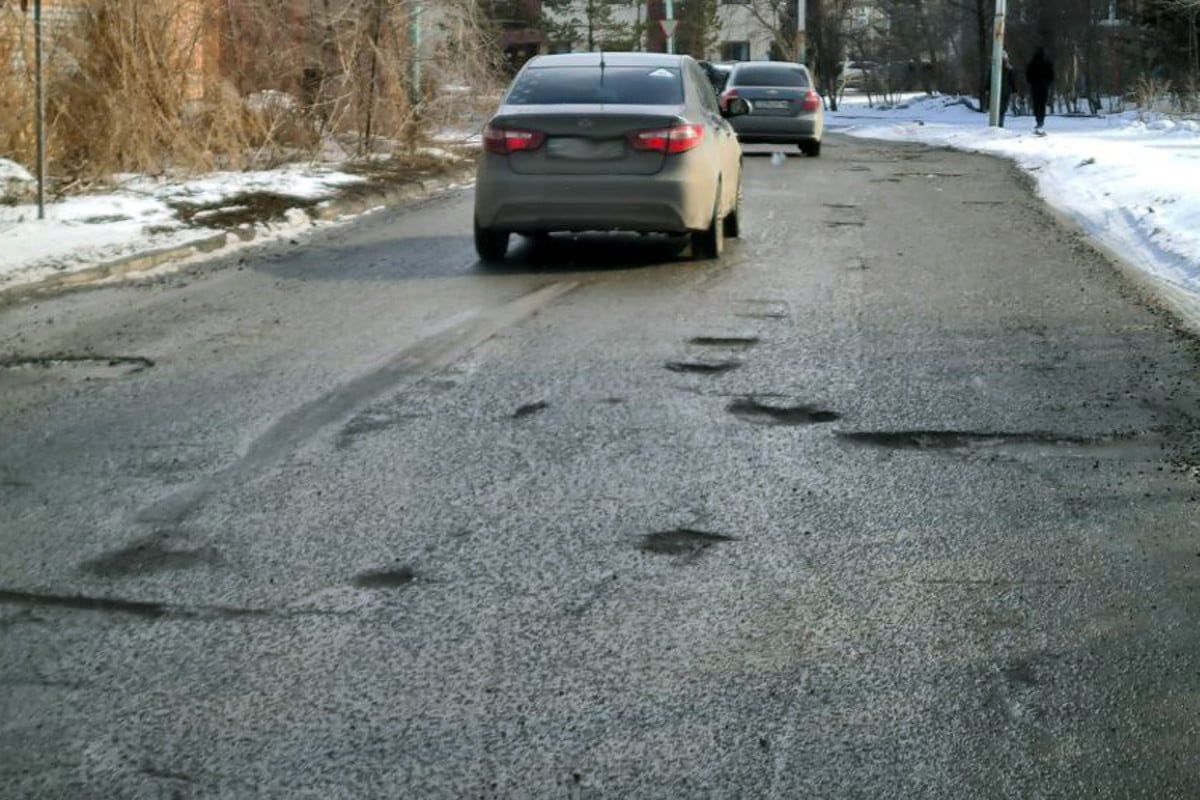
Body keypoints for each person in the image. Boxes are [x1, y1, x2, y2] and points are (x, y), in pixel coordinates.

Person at [1025, 47, 1055, 135]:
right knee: (1042, 104)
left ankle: (1038, 119)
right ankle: (1041, 119)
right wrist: (1048, 83)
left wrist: (1031, 82)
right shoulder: (1048, 63)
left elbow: (1028, 74)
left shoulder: (1032, 63)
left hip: (1035, 86)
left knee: (1036, 103)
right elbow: (1052, 75)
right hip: (1044, 86)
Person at [986, 51, 1016, 127]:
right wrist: (1014, 90)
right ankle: (1000, 123)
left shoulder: (993, 68)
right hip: (1006, 91)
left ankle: (995, 124)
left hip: (995, 90)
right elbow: (1012, 81)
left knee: (996, 108)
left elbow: (989, 79)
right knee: (1002, 109)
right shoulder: (1009, 68)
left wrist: (987, 89)